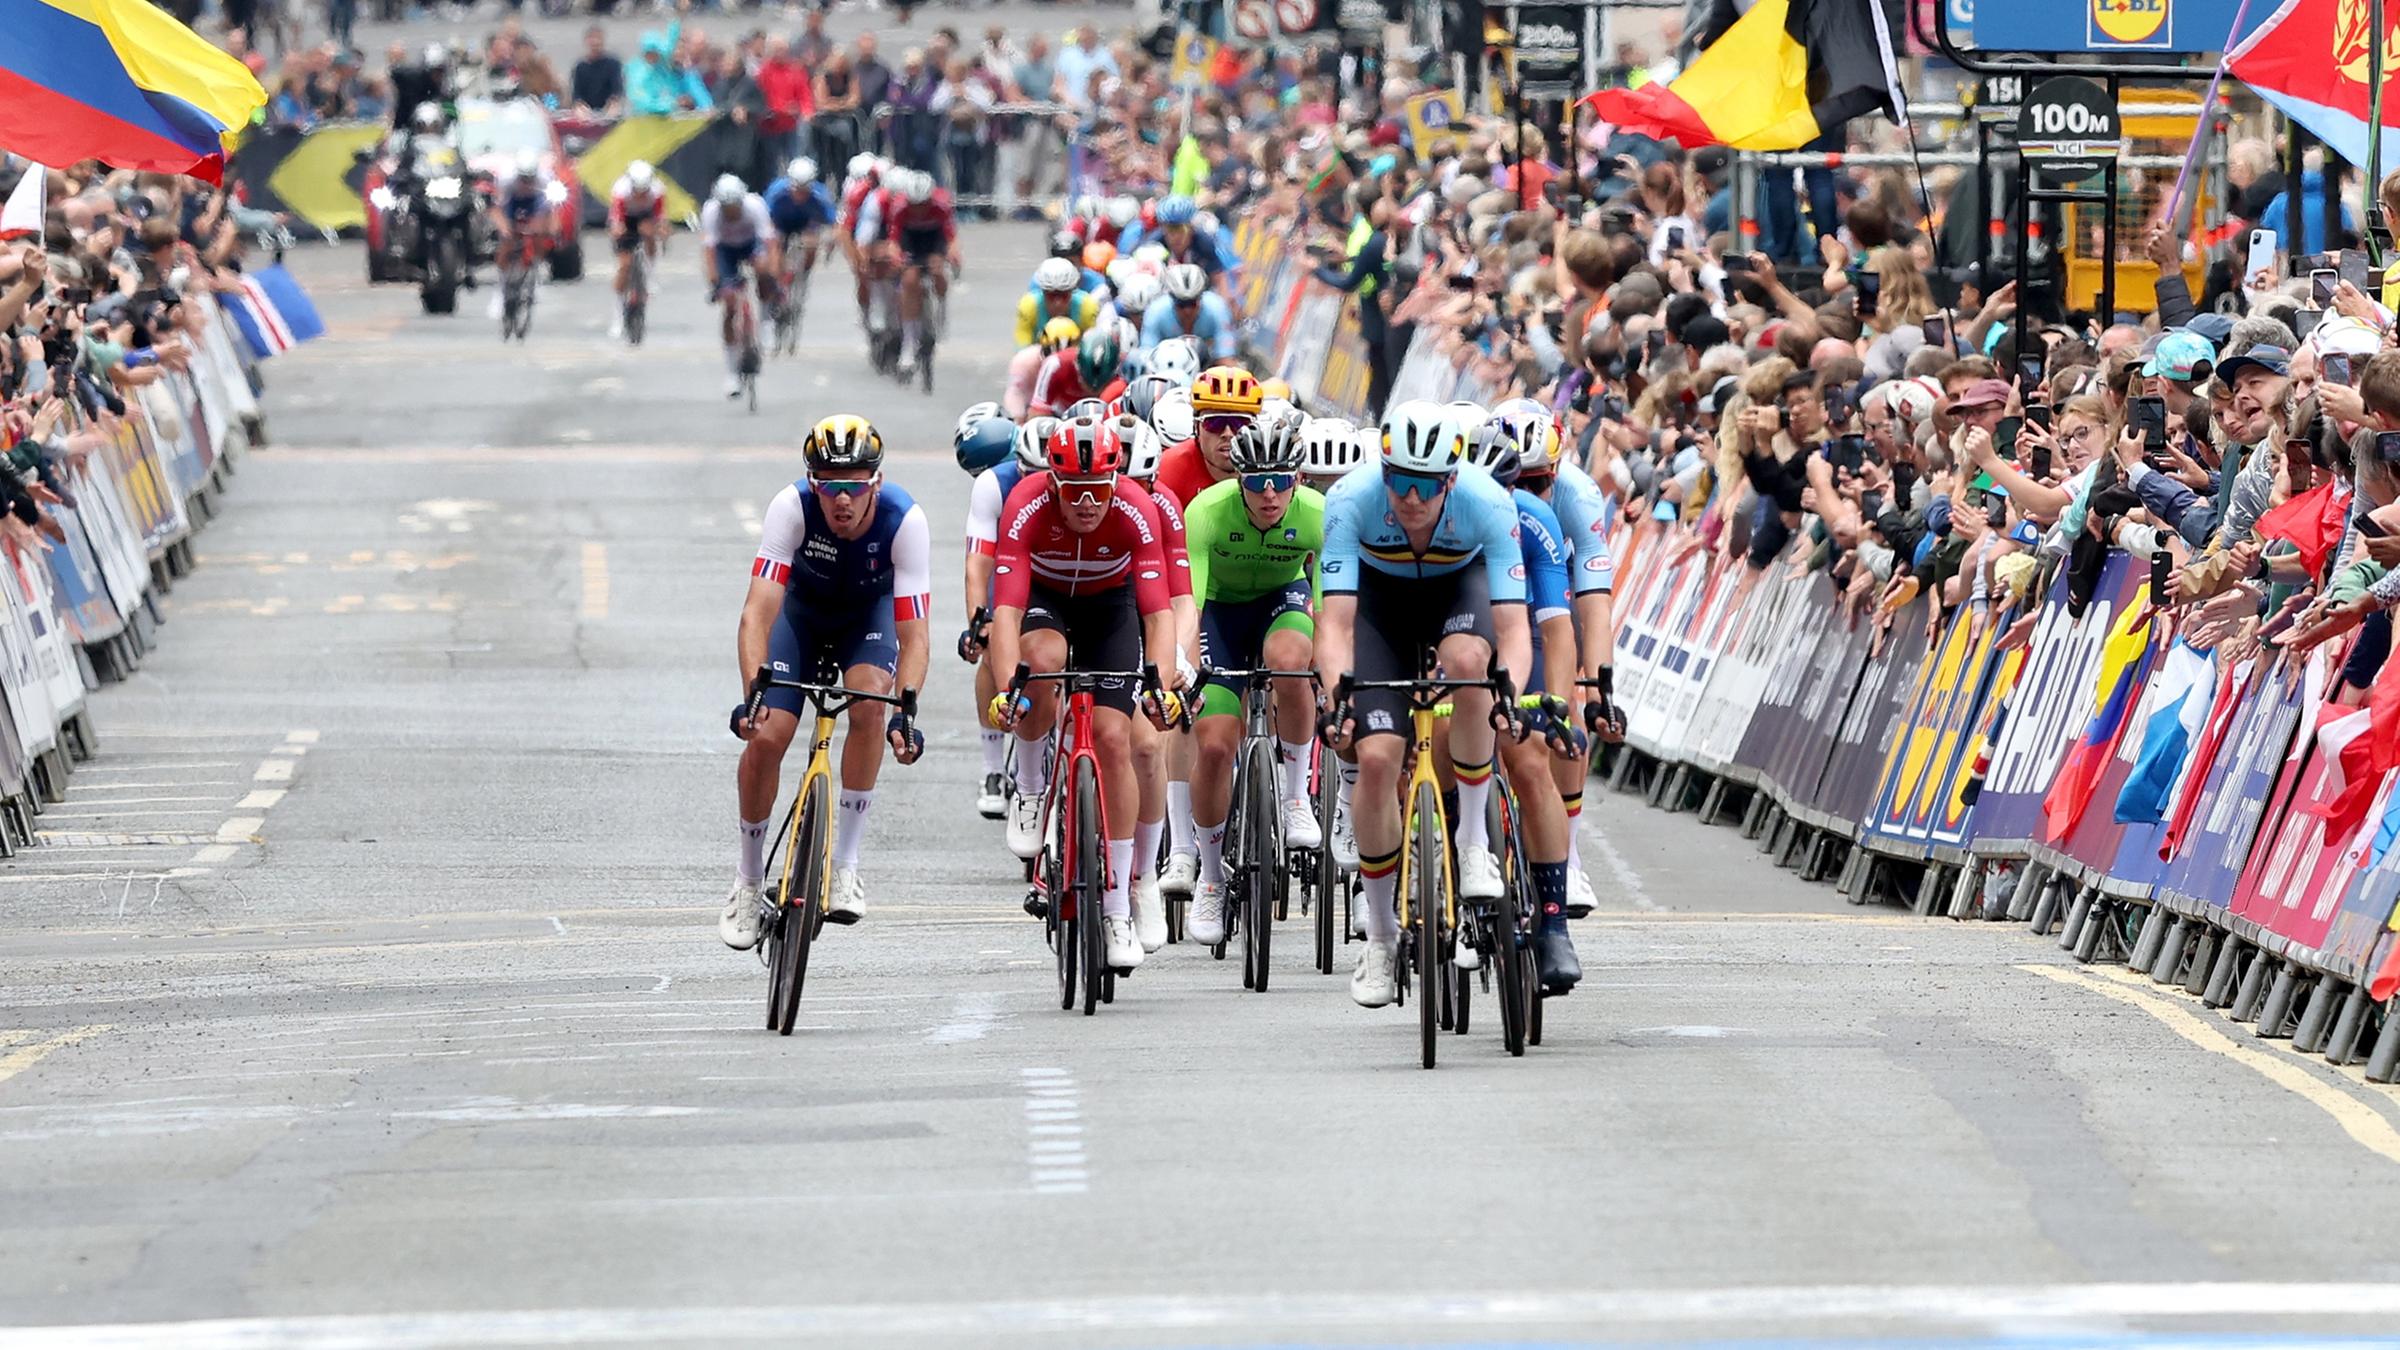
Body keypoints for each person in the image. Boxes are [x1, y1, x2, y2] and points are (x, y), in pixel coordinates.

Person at [1316, 400, 1532, 1009]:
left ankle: (1470, 841)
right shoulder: (1351, 500)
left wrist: (1508, 690)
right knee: (1379, 758)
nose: (1410, 498)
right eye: (1399, 480)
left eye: (1426, 485)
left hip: (1454, 592)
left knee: (1470, 669)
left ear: (1451, 481)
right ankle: (1381, 937)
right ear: (1382, 470)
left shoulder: (1489, 503)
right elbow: (1334, 624)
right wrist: (1339, 698)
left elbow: (1513, 629)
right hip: (1381, 605)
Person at [722, 415, 930, 950]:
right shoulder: (790, 508)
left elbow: (915, 634)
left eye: (856, 485)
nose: (843, 499)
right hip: (802, 620)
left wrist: (907, 711)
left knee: (869, 708)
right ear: (813, 484)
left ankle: (845, 866)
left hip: (869, 619)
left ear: (875, 484)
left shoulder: (905, 520)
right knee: (767, 735)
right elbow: (757, 613)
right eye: (831, 485)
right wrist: (754, 693)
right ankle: (747, 882)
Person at [987, 418, 1188, 971]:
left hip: (1110, 608)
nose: (1085, 505)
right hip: (1048, 599)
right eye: (1073, 492)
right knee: (1042, 663)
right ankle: (1030, 786)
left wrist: (1161, 683)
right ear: (1053, 482)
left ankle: (1119, 901)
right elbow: (1005, 611)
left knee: (1114, 739)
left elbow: (1158, 613)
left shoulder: (1134, 509)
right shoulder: (1026, 504)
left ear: (1114, 481)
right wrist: (1010, 690)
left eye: (1097, 492)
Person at [1182, 414, 1327, 945]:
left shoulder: (1316, 514)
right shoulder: (1207, 513)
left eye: (1281, 481)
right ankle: (1213, 877)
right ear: (1236, 482)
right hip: (1218, 613)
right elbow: (1187, 603)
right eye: (1256, 483)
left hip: (1281, 601)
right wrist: (1184, 665)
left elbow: (1329, 604)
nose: (1269, 495)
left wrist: (1331, 670)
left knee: (1292, 657)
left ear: (1298, 480)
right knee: (1216, 745)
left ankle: (1294, 799)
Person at [855, 169, 961, 378]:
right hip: (910, 238)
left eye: (923, 205)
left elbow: (951, 238)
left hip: (933, 238)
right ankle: (909, 346)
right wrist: (897, 259)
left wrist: (952, 257)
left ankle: (941, 308)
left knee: (938, 269)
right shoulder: (900, 207)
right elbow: (894, 240)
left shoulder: (941, 205)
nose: (919, 210)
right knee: (909, 279)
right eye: (915, 205)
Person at [700, 174, 782, 399]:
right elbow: (709, 251)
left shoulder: (755, 206)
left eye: (734, 206)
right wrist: (716, 283)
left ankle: (766, 323)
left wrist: (772, 274)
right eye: (726, 207)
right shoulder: (711, 211)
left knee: (764, 271)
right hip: (726, 251)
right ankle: (731, 373)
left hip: (751, 244)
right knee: (729, 305)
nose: (731, 211)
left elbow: (770, 242)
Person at [764, 157, 838, 302]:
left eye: (804, 190)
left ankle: (804, 273)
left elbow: (834, 224)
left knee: (812, 243)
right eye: (797, 189)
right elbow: (765, 218)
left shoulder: (820, 194)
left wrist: (830, 244)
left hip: (806, 222)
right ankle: (777, 287)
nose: (800, 194)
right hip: (780, 221)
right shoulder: (776, 191)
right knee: (775, 246)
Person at [606, 160, 665, 338]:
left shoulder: (657, 190)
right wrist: (618, 230)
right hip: (626, 219)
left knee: (650, 235)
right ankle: (617, 318)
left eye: (644, 190)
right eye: (637, 190)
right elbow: (616, 219)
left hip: (646, 217)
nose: (640, 194)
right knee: (624, 266)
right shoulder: (621, 190)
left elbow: (661, 217)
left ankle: (649, 277)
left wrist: (660, 229)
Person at [1142, 263, 1237, 361]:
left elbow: (1226, 358)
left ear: (1201, 297)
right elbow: (1147, 359)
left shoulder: (1218, 309)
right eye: (1181, 304)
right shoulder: (1155, 312)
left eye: (1192, 303)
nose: (1187, 311)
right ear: (1171, 299)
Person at [1019, 256, 1102, 349]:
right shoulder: (1029, 307)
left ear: (1072, 292)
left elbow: (1094, 348)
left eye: (1064, 295)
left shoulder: (1087, 307)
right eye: (1051, 295)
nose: (1057, 303)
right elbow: (1022, 348)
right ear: (1042, 292)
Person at [569, 27, 625, 116]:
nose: (595, 42)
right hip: (587, 107)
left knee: (614, 110)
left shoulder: (613, 63)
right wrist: (581, 105)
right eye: (592, 39)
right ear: (586, 41)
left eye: (598, 38)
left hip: (608, 106)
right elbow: (577, 94)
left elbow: (617, 89)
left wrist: (612, 103)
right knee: (579, 112)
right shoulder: (580, 66)